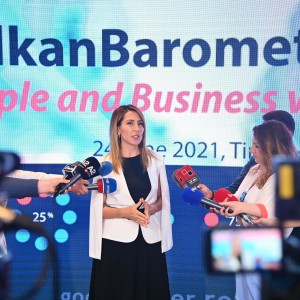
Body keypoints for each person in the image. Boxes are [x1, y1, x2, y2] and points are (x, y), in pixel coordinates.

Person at [200, 120, 298, 300]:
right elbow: (236, 198)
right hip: (244, 240)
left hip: (269, 246)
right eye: (252, 145)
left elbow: (274, 212)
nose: (252, 150)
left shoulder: (287, 174)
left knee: (259, 293)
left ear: (271, 147)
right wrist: (212, 197)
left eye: (257, 146)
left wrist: (241, 207)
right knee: (243, 294)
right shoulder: (254, 170)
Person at [88, 105, 173, 300]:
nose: (137, 129)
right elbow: (98, 210)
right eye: (130, 123)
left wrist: (152, 208)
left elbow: (162, 200)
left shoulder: (155, 160)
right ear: (118, 129)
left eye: (140, 124)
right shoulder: (104, 165)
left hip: (149, 241)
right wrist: (125, 212)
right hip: (115, 245)